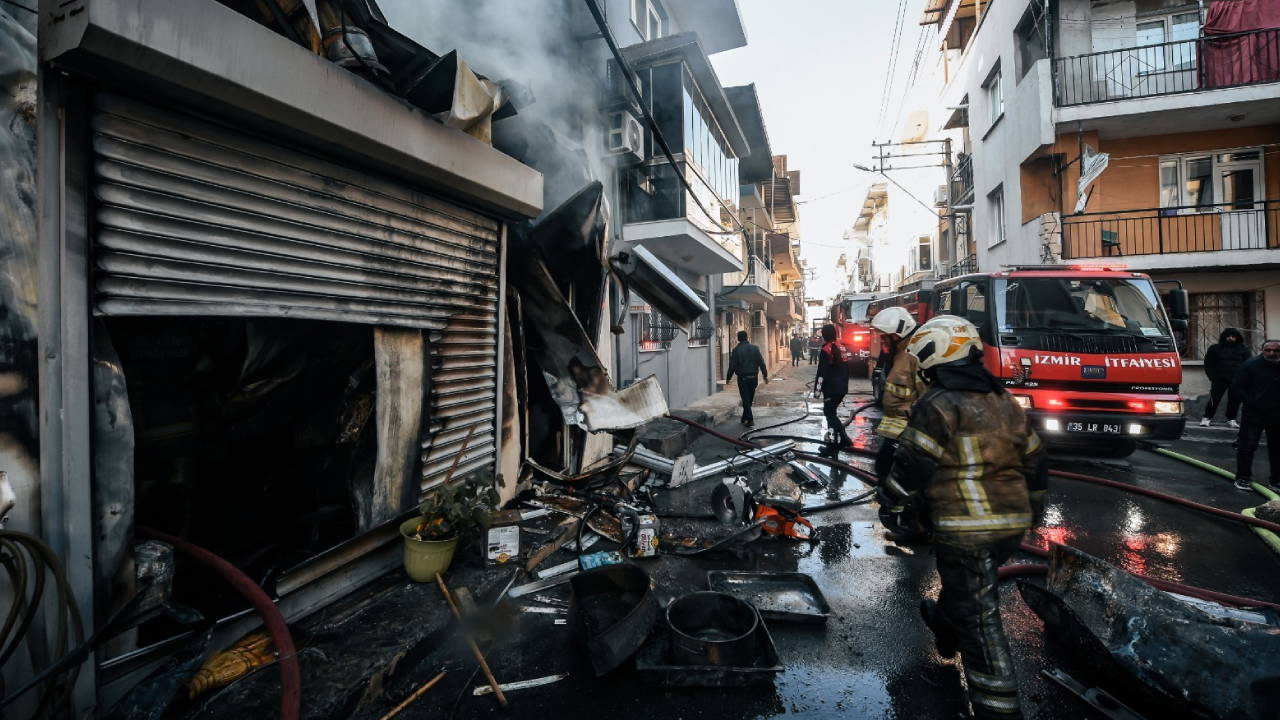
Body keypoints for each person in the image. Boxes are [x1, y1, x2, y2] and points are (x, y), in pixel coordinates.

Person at [888, 315, 1044, 720]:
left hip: (966, 528)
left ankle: (1000, 708)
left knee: (982, 622)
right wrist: (1034, 510)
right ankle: (943, 622)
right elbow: (1036, 462)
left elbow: (912, 463)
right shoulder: (1005, 401)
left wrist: (894, 504)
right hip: (1011, 526)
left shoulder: (938, 403)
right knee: (968, 589)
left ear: (935, 357)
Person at [870, 306, 923, 480]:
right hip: (896, 435)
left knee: (898, 480)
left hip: (910, 436)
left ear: (897, 334)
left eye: (884, 337)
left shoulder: (915, 355)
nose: (882, 341)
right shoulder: (899, 353)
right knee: (885, 471)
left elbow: (928, 400)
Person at [1232, 339, 1280, 491]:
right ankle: (1243, 478)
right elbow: (1237, 387)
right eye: (1268, 350)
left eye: (1276, 351)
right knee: (1247, 446)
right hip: (1254, 414)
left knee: (1277, 448)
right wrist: (1252, 403)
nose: (1272, 353)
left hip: (1277, 414)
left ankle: (1276, 481)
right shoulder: (1250, 365)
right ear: (1262, 350)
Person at [1200, 328, 1250, 428]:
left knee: (1235, 400)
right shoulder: (1215, 348)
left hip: (1236, 379)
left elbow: (1248, 364)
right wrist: (1212, 377)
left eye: (1233, 336)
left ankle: (1231, 419)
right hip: (1219, 379)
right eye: (1228, 336)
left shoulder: (1243, 349)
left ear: (1237, 337)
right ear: (1224, 337)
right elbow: (1208, 364)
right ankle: (1207, 418)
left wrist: (1243, 378)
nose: (1230, 338)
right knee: (1215, 398)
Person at [814, 324, 853, 447]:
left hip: (831, 389)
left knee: (830, 415)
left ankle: (834, 442)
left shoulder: (826, 350)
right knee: (831, 414)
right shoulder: (842, 348)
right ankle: (842, 439)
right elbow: (847, 370)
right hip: (841, 388)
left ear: (824, 336)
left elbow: (821, 373)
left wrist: (817, 391)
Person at [726, 330, 768, 427]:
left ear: (738, 339)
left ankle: (750, 419)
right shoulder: (755, 348)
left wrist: (728, 378)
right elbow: (762, 363)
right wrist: (765, 375)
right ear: (747, 337)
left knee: (745, 399)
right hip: (754, 378)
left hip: (743, 378)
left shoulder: (736, 350)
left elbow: (732, 366)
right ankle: (744, 417)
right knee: (748, 400)